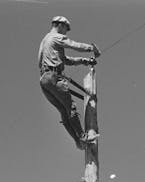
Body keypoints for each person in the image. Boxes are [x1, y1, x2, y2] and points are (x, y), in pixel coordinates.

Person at [38, 16, 101, 149]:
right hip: (53, 76)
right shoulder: (56, 37)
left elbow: (65, 60)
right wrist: (91, 48)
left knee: (63, 110)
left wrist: (84, 61)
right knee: (70, 107)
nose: (66, 32)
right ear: (60, 25)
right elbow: (73, 44)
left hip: (44, 80)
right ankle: (83, 137)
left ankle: (78, 141)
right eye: (66, 29)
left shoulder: (45, 41)